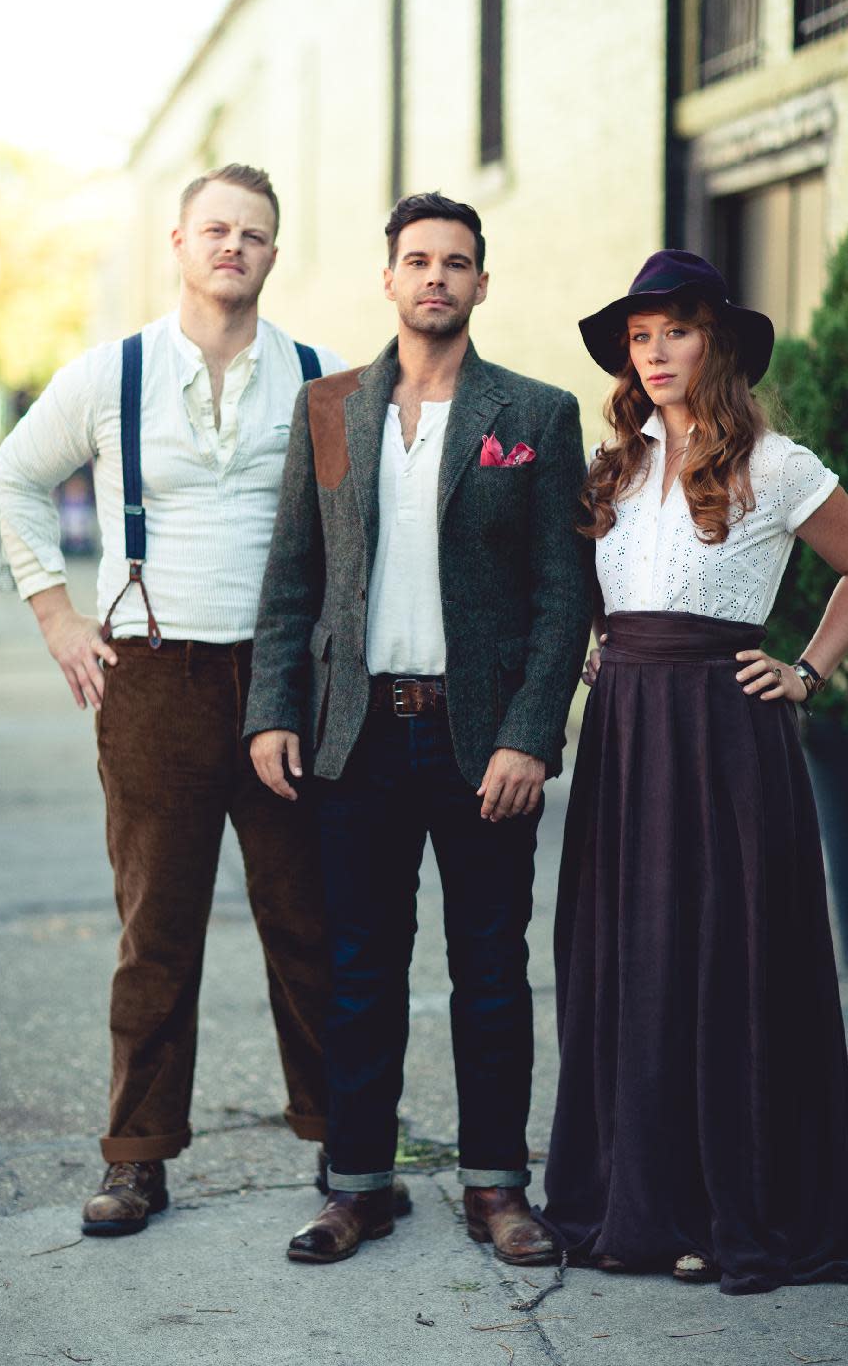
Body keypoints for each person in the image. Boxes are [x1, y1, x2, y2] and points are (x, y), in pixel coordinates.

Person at [0, 164, 348, 1237]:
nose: (234, 245)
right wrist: (57, 614)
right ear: (181, 245)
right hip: (153, 674)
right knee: (156, 928)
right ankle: (137, 1157)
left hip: (284, 676)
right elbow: (14, 473)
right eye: (216, 229)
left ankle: (346, 1145)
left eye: (255, 233)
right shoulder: (113, 373)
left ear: (274, 255)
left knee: (307, 920)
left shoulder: (320, 379)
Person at [246, 191, 591, 1265]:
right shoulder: (330, 408)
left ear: (481, 284)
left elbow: (560, 593)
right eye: (417, 260)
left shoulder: (534, 416)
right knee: (357, 971)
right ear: (387, 278)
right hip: (355, 738)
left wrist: (531, 734)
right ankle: (357, 1183)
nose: (435, 276)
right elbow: (293, 575)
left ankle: (496, 1183)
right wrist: (270, 711)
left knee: (489, 970)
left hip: (479, 741)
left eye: (456, 262)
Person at [539, 249, 848, 1295]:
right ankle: (633, 1204)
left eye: (675, 331)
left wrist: (805, 669)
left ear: (717, 343)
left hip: (726, 736)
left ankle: (724, 1203)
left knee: (724, 961)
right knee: (630, 957)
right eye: (638, 337)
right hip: (625, 735)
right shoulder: (613, 466)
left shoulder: (776, 463)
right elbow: (608, 586)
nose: (653, 352)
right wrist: (607, 643)